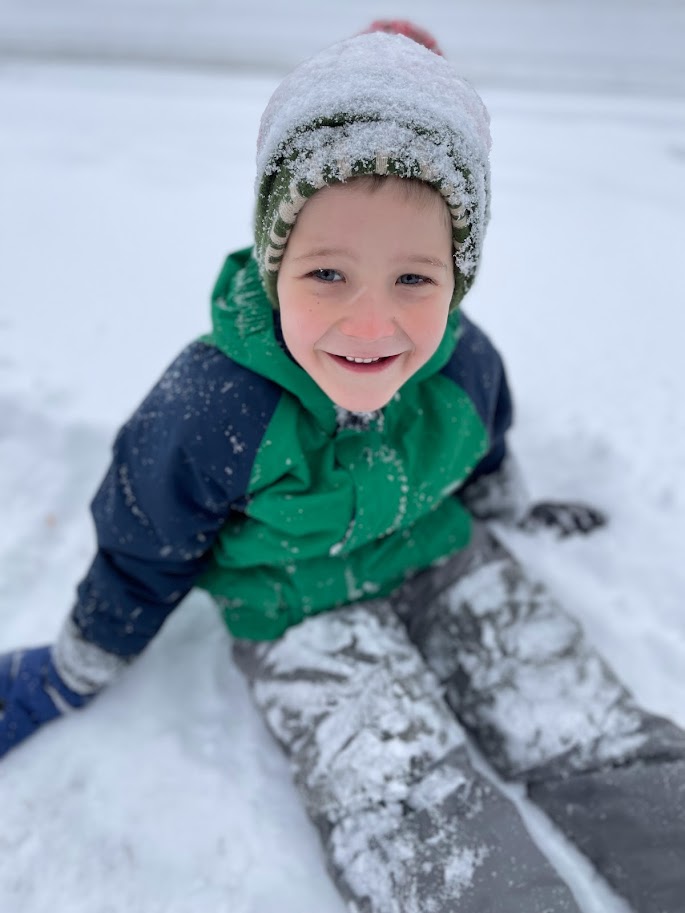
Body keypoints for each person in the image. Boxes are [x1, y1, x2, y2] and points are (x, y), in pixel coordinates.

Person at [1, 26, 684, 913]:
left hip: (443, 556)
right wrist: (78, 662)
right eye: (327, 272)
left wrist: (505, 508)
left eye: (413, 279)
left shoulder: (465, 365)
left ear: (458, 277)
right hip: (295, 607)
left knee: (580, 720)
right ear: (274, 262)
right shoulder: (214, 409)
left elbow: (488, 446)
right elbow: (144, 540)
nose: (371, 328)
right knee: (403, 796)